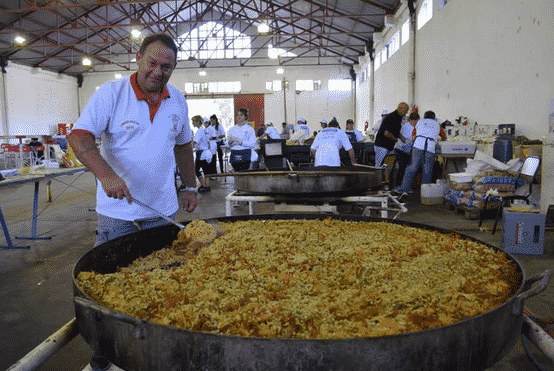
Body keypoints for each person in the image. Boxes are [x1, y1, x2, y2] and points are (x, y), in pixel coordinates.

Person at [67, 33, 197, 371]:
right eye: (152, 63)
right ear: (137, 58)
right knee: (110, 285)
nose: (158, 71)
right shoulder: (111, 94)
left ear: (174, 68)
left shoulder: (178, 100)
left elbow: (184, 146)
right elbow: (79, 138)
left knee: (165, 280)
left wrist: (191, 186)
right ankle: (106, 350)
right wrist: (106, 175)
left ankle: (161, 346)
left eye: (166, 66)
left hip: (161, 211)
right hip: (117, 213)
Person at [395, 110, 447, 194]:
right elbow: (444, 136)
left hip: (418, 145)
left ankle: (404, 188)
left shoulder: (420, 122)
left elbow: (413, 134)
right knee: (427, 169)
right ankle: (425, 192)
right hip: (430, 147)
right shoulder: (437, 124)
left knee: (412, 167)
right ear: (434, 117)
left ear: (424, 116)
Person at [374, 102, 409, 167]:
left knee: (389, 166)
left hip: (390, 146)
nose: (406, 113)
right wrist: (395, 140)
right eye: (406, 110)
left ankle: (387, 177)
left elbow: (395, 132)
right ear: (400, 108)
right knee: (379, 165)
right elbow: (386, 133)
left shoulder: (399, 118)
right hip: (382, 145)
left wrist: (404, 139)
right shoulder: (391, 117)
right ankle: (378, 177)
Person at [394, 111, 419, 188]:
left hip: (407, 150)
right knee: (402, 168)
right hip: (401, 150)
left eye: (417, 121)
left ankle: (404, 187)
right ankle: (399, 186)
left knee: (405, 169)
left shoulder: (414, 127)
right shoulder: (407, 127)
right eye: (415, 120)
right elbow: (407, 139)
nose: (416, 122)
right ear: (411, 120)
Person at [192, 115, 216, 193]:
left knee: (197, 169)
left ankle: (205, 185)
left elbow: (194, 142)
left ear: (197, 122)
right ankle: (206, 185)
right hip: (205, 152)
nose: (192, 123)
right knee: (206, 170)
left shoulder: (200, 131)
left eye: (193, 121)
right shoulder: (204, 130)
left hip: (202, 153)